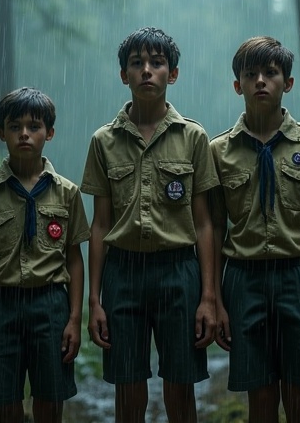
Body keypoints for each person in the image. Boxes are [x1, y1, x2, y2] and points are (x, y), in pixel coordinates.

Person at [81, 27, 219, 423]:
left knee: (180, 386)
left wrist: (208, 296)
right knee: (128, 389)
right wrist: (95, 300)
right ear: (123, 74)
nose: (146, 71)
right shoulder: (103, 141)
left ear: (172, 74)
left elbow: (205, 223)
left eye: (157, 63)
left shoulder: (193, 137)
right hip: (123, 273)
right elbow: (100, 225)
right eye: (136, 63)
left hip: (179, 271)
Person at [211, 36, 300, 423]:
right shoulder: (219, 150)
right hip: (244, 277)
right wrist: (217, 299)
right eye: (250, 74)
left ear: (287, 82)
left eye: (270, 73)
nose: (260, 82)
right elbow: (215, 227)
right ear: (237, 85)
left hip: (298, 274)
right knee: (261, 396)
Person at [0, 87, 90, 423]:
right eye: (14, 126)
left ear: (50, 132)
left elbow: (74, 259)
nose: (24, 134)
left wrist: (75, 319)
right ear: (2, 132)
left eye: (34, 126)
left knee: (49, 398)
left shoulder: (67, 192)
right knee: (5, 401)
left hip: (50, 305)